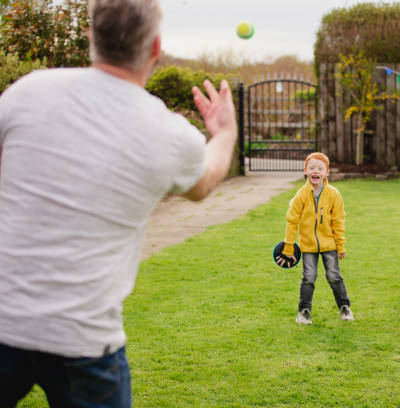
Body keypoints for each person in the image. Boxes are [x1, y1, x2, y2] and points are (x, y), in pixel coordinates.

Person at [0, 0, 237, 406]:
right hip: (85, 343)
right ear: (155, 46)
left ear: (92, 36)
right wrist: (225, 132)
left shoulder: (28, 91)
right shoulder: (168, 133)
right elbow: (205, 183)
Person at [277, 152, 354, 325]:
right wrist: (288, 247)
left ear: (327, 172)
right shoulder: (301, 195)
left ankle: (344, 307)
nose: (315, 171)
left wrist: (340, 245)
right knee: (309, 277)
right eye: (311, 167)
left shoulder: (334, 195)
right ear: (305, 170)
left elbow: (338, 221)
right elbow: (291, 221)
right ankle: (304, 312)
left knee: (334, 276)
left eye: (320, 168)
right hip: (308, 247)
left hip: (329, 245)